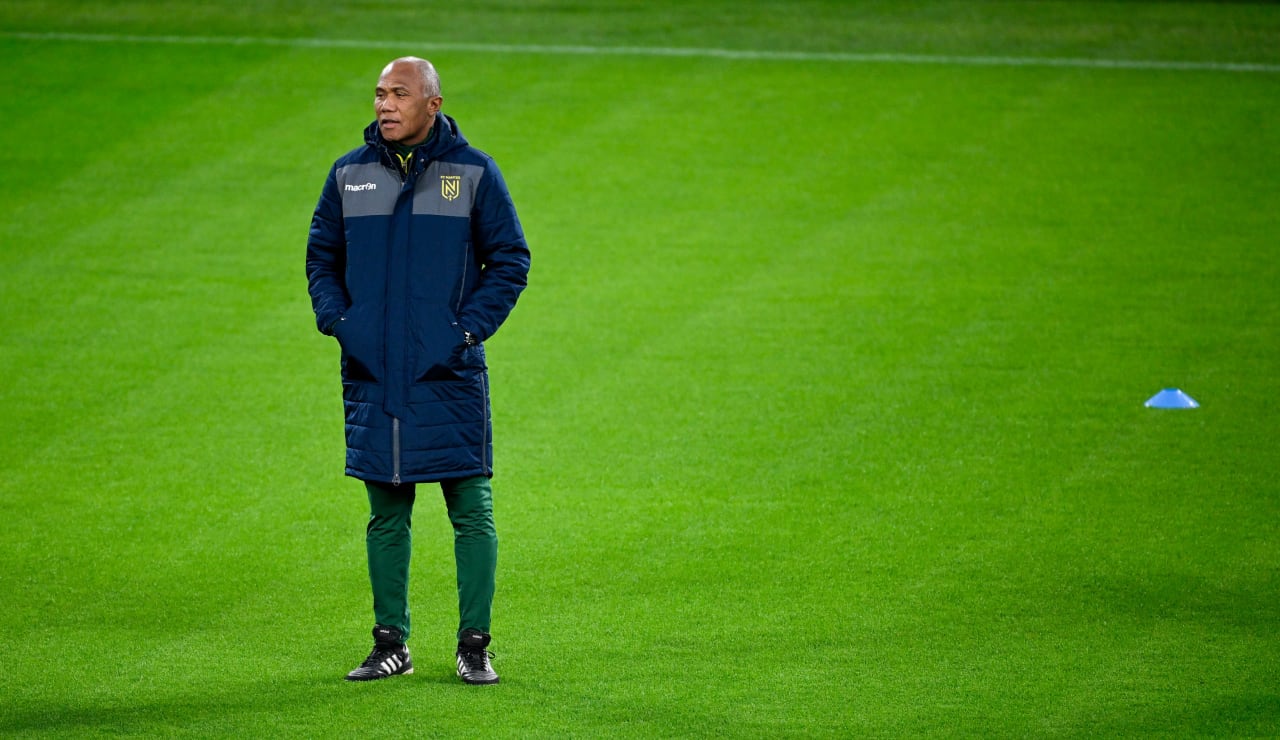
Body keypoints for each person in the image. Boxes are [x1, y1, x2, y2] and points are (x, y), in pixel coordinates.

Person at [305, 56, 530, 684]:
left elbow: (510, 259)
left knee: (471, 509)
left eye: (398, 94)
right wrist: (339, 322)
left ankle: (475, 644)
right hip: (374, 373)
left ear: (432, 103)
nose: (384, 105)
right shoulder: (348, 175)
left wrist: (464, 331)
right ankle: (389, 644)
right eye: (379, 94)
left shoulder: (474, 174)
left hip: (447, 373)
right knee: (385, 512)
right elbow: (321, 256)